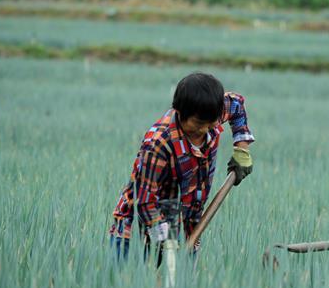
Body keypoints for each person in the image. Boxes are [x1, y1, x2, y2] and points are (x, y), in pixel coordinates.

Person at [109, 72, 254, 260]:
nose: (204, 130)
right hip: (136, 235)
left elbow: (236, 104)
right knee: (137, 279)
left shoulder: (211, 111)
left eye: (211, 124)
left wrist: (242, 150)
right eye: (198, 124)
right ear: (180, 112)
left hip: (188, 230)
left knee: (183, 278)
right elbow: (144, 202)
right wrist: (168, 245)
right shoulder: (158, 145)